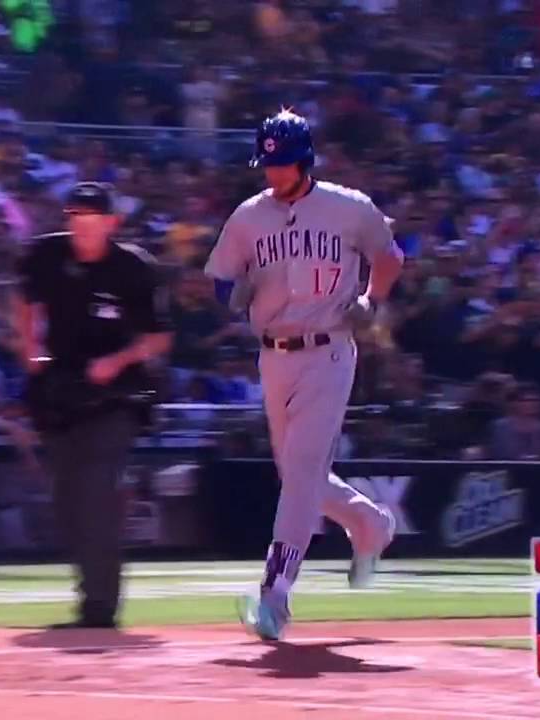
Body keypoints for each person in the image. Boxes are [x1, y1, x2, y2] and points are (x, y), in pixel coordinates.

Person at [203, 110, 404, 641]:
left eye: (283, 163)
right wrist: (234, 294)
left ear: (305, 160)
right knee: (299, 475)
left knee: (300, 473)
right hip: (273, 356)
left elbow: (390, 255)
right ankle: (370, 523)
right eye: (268, 163)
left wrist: (370, 300)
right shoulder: (248, 217)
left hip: (329, 352)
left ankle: (275, 596)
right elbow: (220, 277)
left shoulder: (347, 207)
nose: (273, 173)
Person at [15, 181, 173, 629]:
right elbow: (23, 299)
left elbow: (159, 338)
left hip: (115, 395)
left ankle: (101, 608)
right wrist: (29, 346)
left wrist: (118, 359)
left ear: (111, 223)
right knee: (66, 502)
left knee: (98, 496)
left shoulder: (133, 268)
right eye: (75, 218)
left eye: (91, 219)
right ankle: (89, 600)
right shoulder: (45, 255)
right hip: (61, 390)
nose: (82, 227)